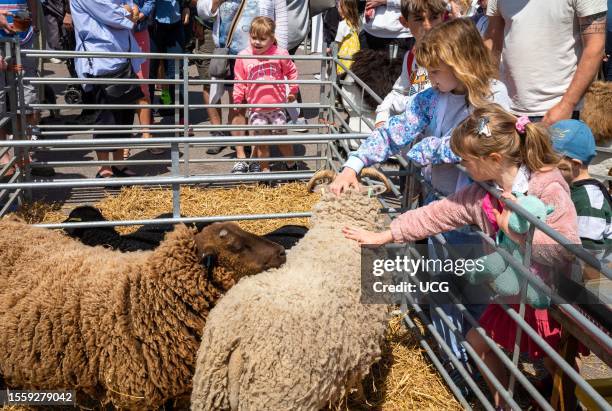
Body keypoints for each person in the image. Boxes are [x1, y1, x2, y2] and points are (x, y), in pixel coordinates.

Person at [343, 104, 580, 409]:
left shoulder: (548, 187)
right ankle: (504, 405)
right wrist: (386, 234)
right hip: (511, 292)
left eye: (466, 161)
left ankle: (563, 402)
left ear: (493, 159)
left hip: (546, 298)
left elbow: (565, 246)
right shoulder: (484, 192)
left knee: (556, 364)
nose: (462, 167)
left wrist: (517, 231)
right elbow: (439, 214)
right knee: (478, 343)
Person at [330, 18, 510, 197]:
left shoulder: (491, 97)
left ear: (460, 65)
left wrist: (435, 149)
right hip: (436, 195)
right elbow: (394, 133)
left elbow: (483, 138)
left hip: (477, 206)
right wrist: (355, 163)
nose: (429, 78)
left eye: (435, 71)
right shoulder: (431, 98)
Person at [197, 0, 288, 172]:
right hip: (233, 55)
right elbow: (203, 10)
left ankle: (256, 156)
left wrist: (280, 56)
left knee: (258, 108)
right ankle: (240, 156)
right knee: (237, 105)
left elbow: (281, 21)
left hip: (264, 57)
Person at [484, 0, 607, 125]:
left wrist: (567, 105)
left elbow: (595, 47)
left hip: (555, 111)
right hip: (505, 108)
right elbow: (492, 40)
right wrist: (485, 92)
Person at [70, 0, 142, 178]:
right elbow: (111, 14)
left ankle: (119, 164)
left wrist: (128, 10)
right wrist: (126, 12)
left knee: (124, 114)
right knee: (106, 117)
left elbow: (131, 9)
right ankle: (104, 168)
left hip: (124, 56)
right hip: (101, 58)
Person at [232, 17, 298, 174]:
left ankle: (291, 164)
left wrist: (293, 90)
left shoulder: (280, 54)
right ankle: (265, 171)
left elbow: (292, 72)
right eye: (254, 37)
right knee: (261, 142)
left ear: (272, 38)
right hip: (256, 109)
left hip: (277, 107)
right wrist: (237, 98)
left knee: (282, 140)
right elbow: (239, 79)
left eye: (262, 39)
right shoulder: (243, 56)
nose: (257, 42)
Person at [551, 119, 612, 283]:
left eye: (550, 162)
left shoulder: (587, 201)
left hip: (589, 284)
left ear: (575, 165)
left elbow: (589, 257)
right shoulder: (570, 187)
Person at [374, 0, 446, 128]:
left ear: (443, 16)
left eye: (434, 17)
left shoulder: (453, 57)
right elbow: (400, 91)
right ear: (404, 22)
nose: (428, 26)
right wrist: (382, 117)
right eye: (419, 19)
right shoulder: (411, 58)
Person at [133, 0, 155, 148]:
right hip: (117, 34)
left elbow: (150, 2)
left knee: (143, 86)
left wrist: (140, 14)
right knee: (120, 88)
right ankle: (123, 144)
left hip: (140, 32)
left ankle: (147, 136)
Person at [334, 0, 360, 77]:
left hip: (344, 56)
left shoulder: (343, 24)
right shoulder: (355, 23)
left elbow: (337, 42)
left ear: (344, 9)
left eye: (339, 6)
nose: (337, 8)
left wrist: (330, 49)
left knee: (341, 77)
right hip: (354, 54)